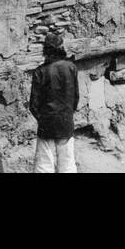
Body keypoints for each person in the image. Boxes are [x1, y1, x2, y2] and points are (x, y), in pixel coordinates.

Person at [28, 31, 79, 173]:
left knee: (44, 165)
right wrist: (67, 113)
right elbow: (75, 98)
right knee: (68, 164)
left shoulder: (40, 71)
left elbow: (33, 104)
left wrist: (44, 119)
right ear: (61, 48)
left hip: (47, 124)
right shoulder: (71, 68)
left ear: (46, 50)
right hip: (66, 121)